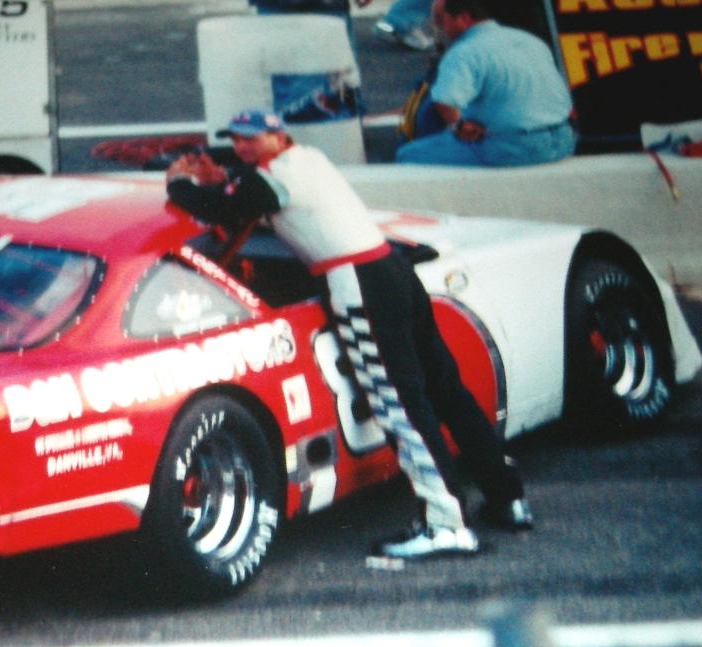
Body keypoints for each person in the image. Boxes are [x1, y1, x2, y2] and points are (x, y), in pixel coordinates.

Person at [166, 109, 533, 560]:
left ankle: (446, 524)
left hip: (358, 282)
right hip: (393, 270)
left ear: (279, 136)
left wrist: (178, 184)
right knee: (444, 388)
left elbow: (223, 208)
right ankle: (507, 497)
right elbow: (249, 188)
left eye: (252, 138)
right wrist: (224, 176)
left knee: (398, 404)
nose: (242, 146)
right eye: (236, 139)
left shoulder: (274, 177)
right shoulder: (307, 159)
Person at [395, 0, 576, 167]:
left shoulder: (463, 52)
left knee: (407, 154)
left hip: (516, 147)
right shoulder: (529, 39)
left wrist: (459, 127)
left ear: (463, 18)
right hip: (564, 139)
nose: (437, 26)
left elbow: (444, 101)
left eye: (440, 19)